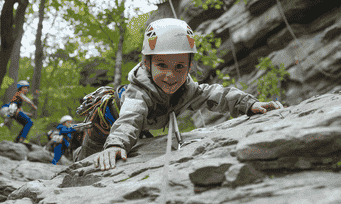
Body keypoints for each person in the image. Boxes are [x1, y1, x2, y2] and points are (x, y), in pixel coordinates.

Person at [77, 18, 284, 171]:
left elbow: (216, 94)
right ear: (146, 64)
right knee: (85, 162)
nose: (170, 75)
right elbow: (131, 118)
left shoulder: (186, 89)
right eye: (161, 65)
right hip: (104, 126)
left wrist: (249, 104)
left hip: (140, 128)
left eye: (179, 66)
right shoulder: (139, 93)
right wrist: (115, 145)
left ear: (190, 66)